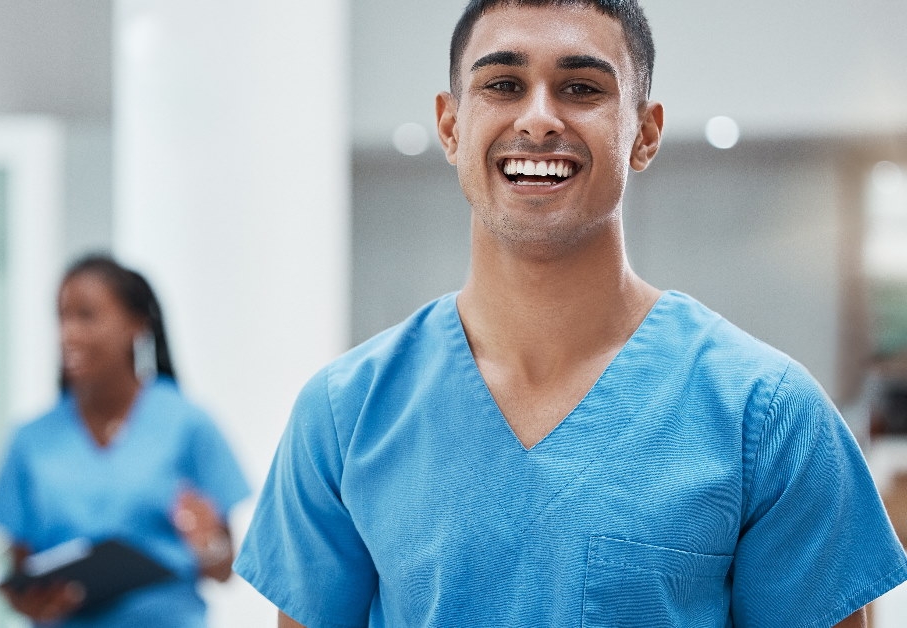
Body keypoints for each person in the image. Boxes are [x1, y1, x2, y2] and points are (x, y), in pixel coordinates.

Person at [234, 1, 907, 626]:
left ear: (644, 134)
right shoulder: (346, 414)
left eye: (582, 88)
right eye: (502, 84)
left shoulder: (768, 415)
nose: (538, 118)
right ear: (449, 125)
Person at [0, 254, 250, 627]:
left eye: (86, 316)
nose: (68, 333)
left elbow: (222, 567)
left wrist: (208, 544)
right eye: (62, 317)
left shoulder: (187, 424)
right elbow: (21, 570)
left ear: (137, 326)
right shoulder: (30, 440)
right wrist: (30, 601)